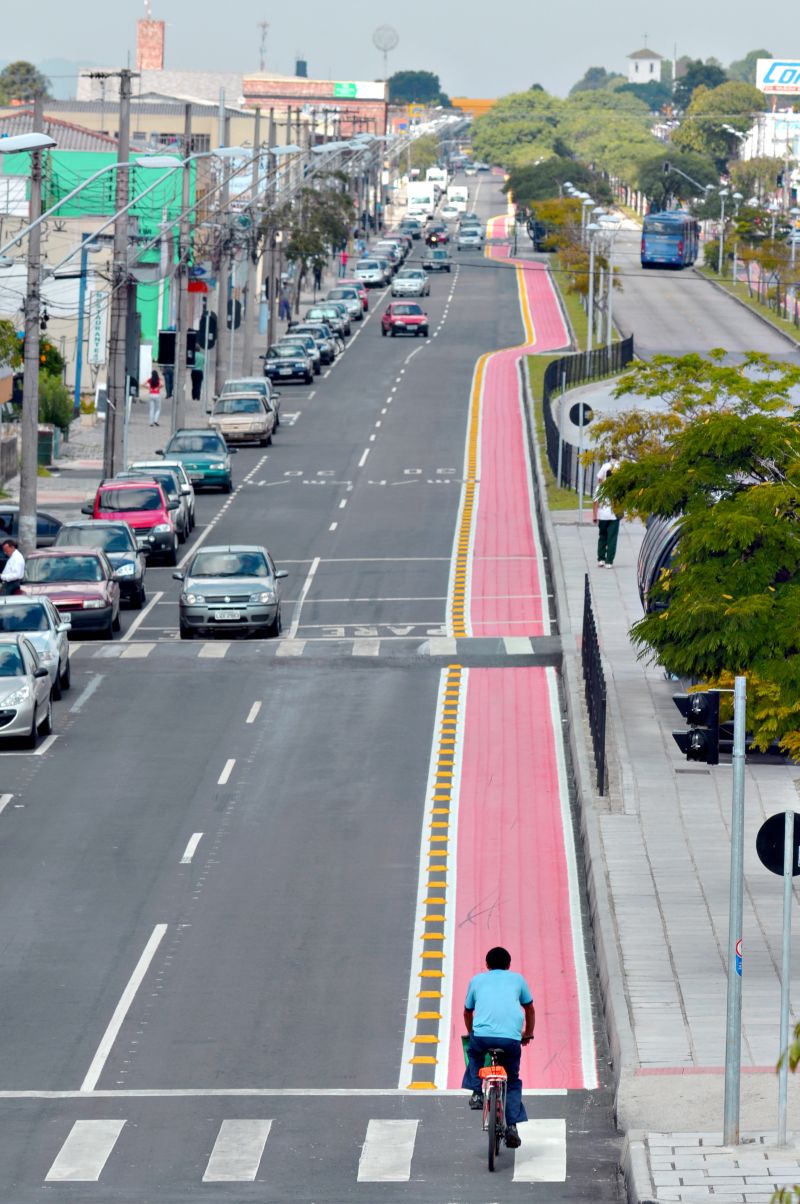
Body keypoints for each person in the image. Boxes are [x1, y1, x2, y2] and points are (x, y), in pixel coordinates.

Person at [462, 946, 535, 1150]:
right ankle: (511, 1125)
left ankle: (477, 1093)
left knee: (475, 1056)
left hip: (482, 1037)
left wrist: (472, 1033)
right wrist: (528, 1033)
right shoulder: (518, 979)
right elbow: (529, 1008)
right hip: (510, 1040)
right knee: (512, 1081)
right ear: (509, 965)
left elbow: (468, 1012)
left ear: (487, 965)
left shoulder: (477, 980)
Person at [592, 460, 621, 568]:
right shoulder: (617, 488)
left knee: (602, 536)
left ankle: (601, 559)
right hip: (614, 516)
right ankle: (609, 561)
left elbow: (595, 502)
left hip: (602, 516)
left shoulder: (600, 487)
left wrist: (594, 516)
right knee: (612, 539)